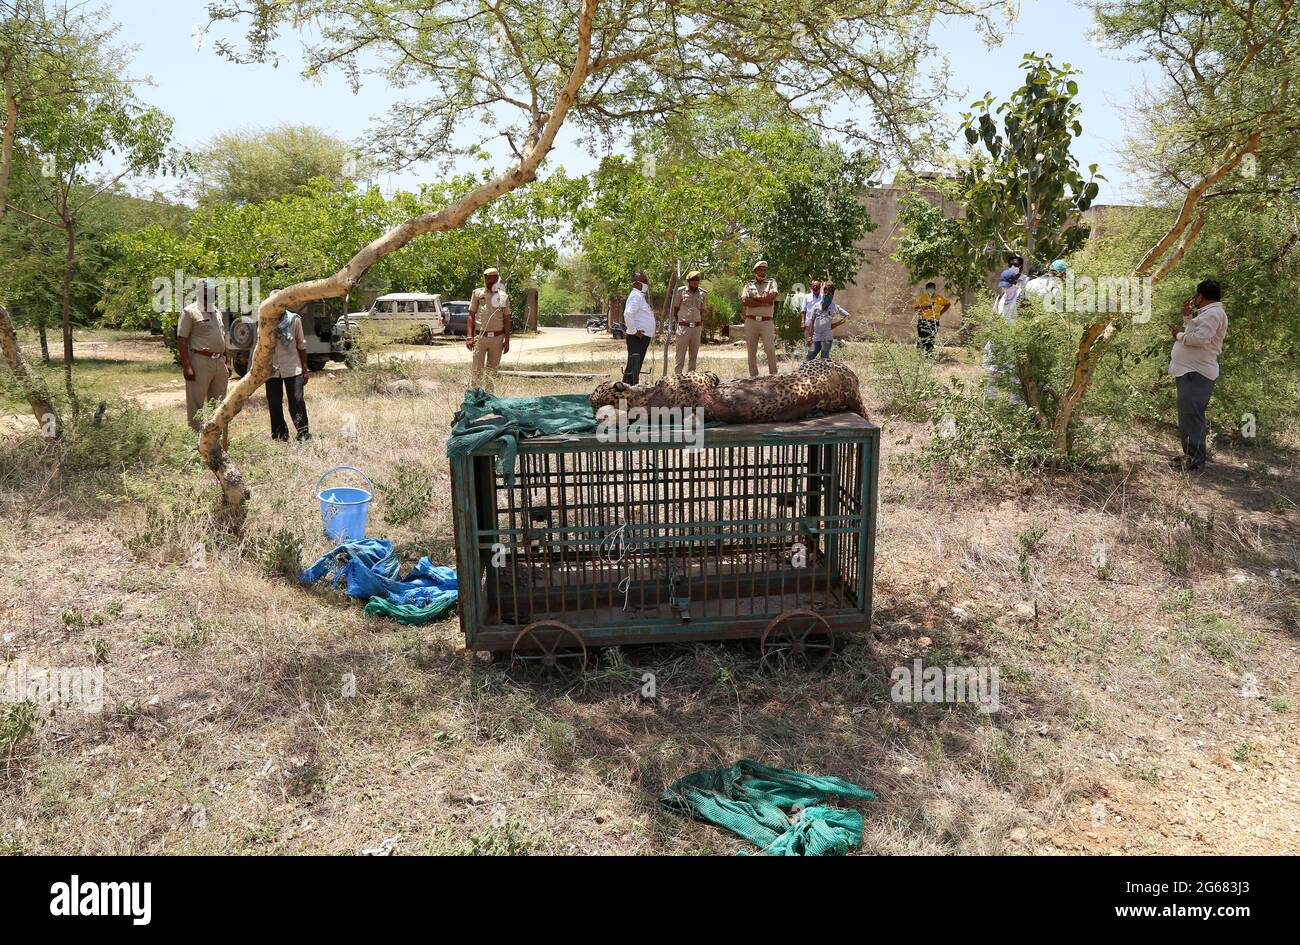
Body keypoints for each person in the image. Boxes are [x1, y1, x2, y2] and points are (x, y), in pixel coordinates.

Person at [1168, 279, 1228, 473]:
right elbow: (1196, 332)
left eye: (1196, 295)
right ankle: (1190, 456)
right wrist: (1187, 318)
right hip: (1190, 370)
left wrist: (1178, 335)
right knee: (1188, 415)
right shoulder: (1209, 314)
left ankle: (1195, 461)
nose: (1195, 299)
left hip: (1197, 372)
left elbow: (1199, 339)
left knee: (1192, 416)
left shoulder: (1214, 314)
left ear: (1201, 296)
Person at [176, 278, 229, 431]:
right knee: (196, 404)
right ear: (200, 291)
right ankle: (195, 441)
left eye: (214, 290)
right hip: (200, 361)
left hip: (219, 362)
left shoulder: (217, 311)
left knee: (219, 404)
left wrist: (227, 362)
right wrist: (187, 366)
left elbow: (222, 336)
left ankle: (214, 441)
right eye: (209, 290)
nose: (213, 293)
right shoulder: (189, 311)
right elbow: (181, 339)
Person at [253, 308, 311, 441]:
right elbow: (260, 345)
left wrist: (305, 369)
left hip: (292, 367)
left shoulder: (294, 319)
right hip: (272, 370)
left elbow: (301, 345)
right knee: (274, 404)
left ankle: (303, 434)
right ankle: (280, 436)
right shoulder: (264, 321)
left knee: (296, 401)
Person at [467, 267, 510, 390]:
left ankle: (489, 399)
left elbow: (507, 319)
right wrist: (469, 337)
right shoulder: (477, 293)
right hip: (480, 337)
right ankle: (475, 400)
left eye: (490, 278)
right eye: (485, 278)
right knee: (477, 372)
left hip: (497, 338)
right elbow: (471, 315)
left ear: (496, 278)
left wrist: (507, 340)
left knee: (492, 373)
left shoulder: (503, 296)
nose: (487, 280)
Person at [740, 260, 779, 376]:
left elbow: (772, 297)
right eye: (760, 270)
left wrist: (755, 299)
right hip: (751, 321)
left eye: (764, 270)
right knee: (751, 351)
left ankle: (773, 375)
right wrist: (763, 302)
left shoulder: (772, 283)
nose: (762, 272)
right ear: (755, 271)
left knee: (770, 349)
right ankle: (753, 377)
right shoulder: (748, 284)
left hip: (766, 322)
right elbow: (745, 301)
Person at [622, 272, 655, 385]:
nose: (647, 284)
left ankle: (627, 391)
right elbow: (628, 314)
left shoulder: (639, 296)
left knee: (634, 367)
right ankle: (626, 394)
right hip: (637, 337)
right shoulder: (636, 296)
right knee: (633, 367)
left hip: (641, 337)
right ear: (637, 283)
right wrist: (634, 332)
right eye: (645, 281)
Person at [672, 271, 706, 374]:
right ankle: (678, 377)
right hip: (683, 327)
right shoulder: (680, 291)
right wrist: (680, 321)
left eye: (697, 280)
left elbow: (702, 310)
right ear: (689, 281)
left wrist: (699, 323)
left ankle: (691, 378)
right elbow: (676, 308)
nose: (695, 282)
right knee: (680, 355)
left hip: (696, 327)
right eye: (693, 280)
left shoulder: (703, 293)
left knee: (693, 355)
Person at [805, 284, 849, 360]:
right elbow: (812, 321)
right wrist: (810, 336)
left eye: (828, 294)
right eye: (825, 293)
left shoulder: (835, 307)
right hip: (816, 337)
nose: (826, 295)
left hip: (827, 338)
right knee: (809, 357)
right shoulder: (816, 306)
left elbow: (848, 316)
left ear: (832, 295)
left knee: (824, 359)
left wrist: (836, 324)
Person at [913, 281, 950, 353]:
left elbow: (948, 304)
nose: (930, 290)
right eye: (929, 288)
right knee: (921, 339)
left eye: (932, 288)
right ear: (926, 289)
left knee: (930, 339)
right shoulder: (923, 298)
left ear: (934, 289)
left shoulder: (939, 298)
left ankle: (928, 356)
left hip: (934, 322)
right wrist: (925, 307)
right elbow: (915, 308)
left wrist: (941, 312)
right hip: (923, 321)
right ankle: (918, 356)